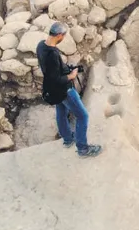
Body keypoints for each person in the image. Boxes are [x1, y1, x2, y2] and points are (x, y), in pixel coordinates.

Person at [37, 22, 101, 157]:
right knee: (83, 116)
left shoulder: (41, 45)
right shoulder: (53, 54)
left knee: (61, 110)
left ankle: (67, 139)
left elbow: (50, 71)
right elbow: (56, 79)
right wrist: (71, 75)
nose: (64, 38)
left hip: (51, 90)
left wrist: (65, 68)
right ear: (59, 35)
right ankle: (83, 149)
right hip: (63, 90)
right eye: (64, 35)